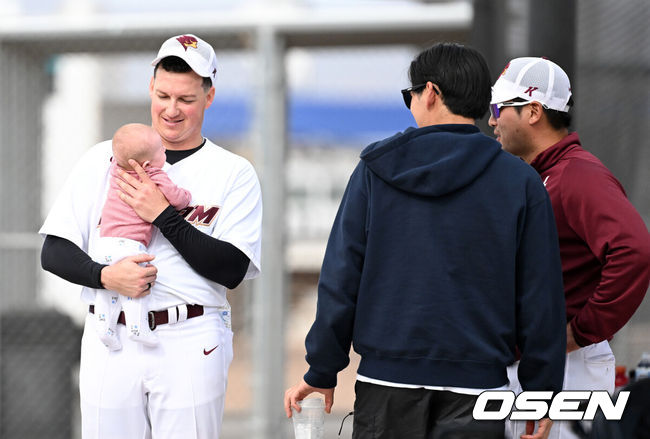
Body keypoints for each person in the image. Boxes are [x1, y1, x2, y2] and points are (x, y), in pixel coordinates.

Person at [284, 42, 566, 439]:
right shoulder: (520, 181)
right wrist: (542, 394)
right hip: (479, 388)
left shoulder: (374, 170)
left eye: (410, 94)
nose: (411, 103)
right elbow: (541, 297)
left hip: (386, 385)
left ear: (430, 92)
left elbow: (341, 277)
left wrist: (322, 369)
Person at [40, 34, 262, 439]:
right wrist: (104, 276)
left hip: (190, 338)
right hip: (111, 335)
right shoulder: (101, 158)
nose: (171, 110)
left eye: (186, 99)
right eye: (163, 95)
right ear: (150, 88)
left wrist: (162, 215)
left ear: (209, 98)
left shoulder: (232, 172)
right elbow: (53, 251)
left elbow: (231, 269)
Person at [488, 57, 650, 439]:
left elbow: (634, 251)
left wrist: (579, 332)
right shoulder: (543, 175)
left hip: (568, 366)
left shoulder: (577, 174)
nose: (492, 120)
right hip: (541, 364)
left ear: (532, 111)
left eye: (498, 109)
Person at [93, 123, 192, 350]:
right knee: (136, 287)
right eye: (161, 151)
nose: (165, 153)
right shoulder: (153, 175)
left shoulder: (115, 170)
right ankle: (137, 328)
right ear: (146, 164)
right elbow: (177, 199)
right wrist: (186, 196)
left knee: (110, 289)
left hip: (104, 243)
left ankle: (105, 327)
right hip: (130, 245)